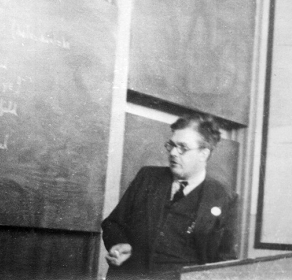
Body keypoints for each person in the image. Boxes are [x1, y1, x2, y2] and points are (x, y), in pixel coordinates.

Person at [102, 112, 238, 279]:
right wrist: (119, 244)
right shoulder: (147, 178)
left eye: (182, 148)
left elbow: (225, 260)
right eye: (171, 145)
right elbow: (112, 223)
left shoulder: (224, 198)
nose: (173, 153)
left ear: (204, 153)